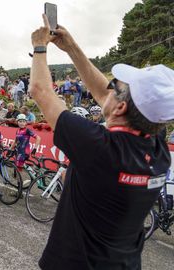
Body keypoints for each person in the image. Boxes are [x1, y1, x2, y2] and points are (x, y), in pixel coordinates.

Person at [30, 14, 173, 269]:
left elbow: (40, 92)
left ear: (120, 108)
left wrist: (39, 47)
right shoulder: (158, 148)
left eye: (115, 87)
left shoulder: (99, 147)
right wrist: (71, 48)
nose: (108, 88)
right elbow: (103, 93)